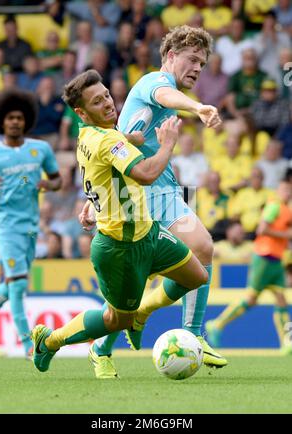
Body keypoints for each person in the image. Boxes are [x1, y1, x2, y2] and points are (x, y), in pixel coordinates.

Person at [30, 69, 208, 374]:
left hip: (148, 233)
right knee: (115, 320)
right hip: (120, 248)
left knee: (196, 276)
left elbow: (109, 146)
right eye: (98, 102)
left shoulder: (90, 134)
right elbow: (146, 173)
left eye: (107, 96)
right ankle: (49, 341)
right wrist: (167, 143)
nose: (109, 104)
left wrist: (129, 138)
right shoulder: (108, 142)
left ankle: (142, 312)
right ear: (81, 112)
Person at [92, 25, 227, 379]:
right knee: (129, 291)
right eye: (192, 59)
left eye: (203, 62)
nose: (198, 68)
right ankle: (101, 347)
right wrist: (198, 107)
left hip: (163, 191)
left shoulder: (167, 94)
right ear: (170, 56)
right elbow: (167, 97)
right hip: (132, 196)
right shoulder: (154, 83)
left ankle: (194, 334)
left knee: (202, 248)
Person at [0, 89, 61, 358]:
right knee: (18, 284)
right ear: (1, 121)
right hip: (4, 225)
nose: (15, 122)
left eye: (19, 117)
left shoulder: (40, 149)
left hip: (31, 226)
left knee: (14, 286)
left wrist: (49, 184)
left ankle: (28, 345)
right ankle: (28, 346)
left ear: (27, 120)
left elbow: (58, 179)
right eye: (10, 117)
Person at [206, 181, 292, 355]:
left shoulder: (285, 210)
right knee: (251, 298)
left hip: (276, 259)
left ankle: (286, 343)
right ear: (278, 191)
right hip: (264, 257)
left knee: (281, 300)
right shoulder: (274, 206)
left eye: (289, 190)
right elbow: (262, 229)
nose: (287, 193)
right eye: (284, 189)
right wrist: (285, 235)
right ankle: (216, 324)